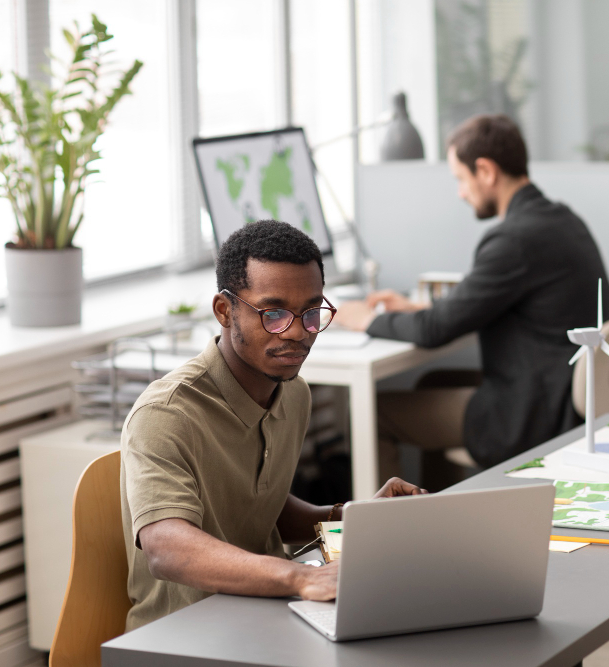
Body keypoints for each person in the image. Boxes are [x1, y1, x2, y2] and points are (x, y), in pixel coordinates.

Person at [120, 220, 426, 631]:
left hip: (267, 612)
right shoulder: (166, 414)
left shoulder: (293, 393)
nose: (299, 332)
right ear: (224, 311)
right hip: (186, 632)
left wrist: (353, 517)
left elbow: (262, 509)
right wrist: (301, 577)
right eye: (275, 313)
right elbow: (166, 549)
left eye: (312, 312)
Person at [336, 114, 609, 476]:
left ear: (485, 171)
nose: (460, 192)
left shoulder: (513, 240)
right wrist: (418, 307)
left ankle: (389, 531)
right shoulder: (562, 219)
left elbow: (433, 330)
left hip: (535, 416)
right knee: (431, 382)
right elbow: (485, 302)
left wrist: (367, 319)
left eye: (460, 179)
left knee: (372, 413)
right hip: (563, 397)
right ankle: (440, 514)